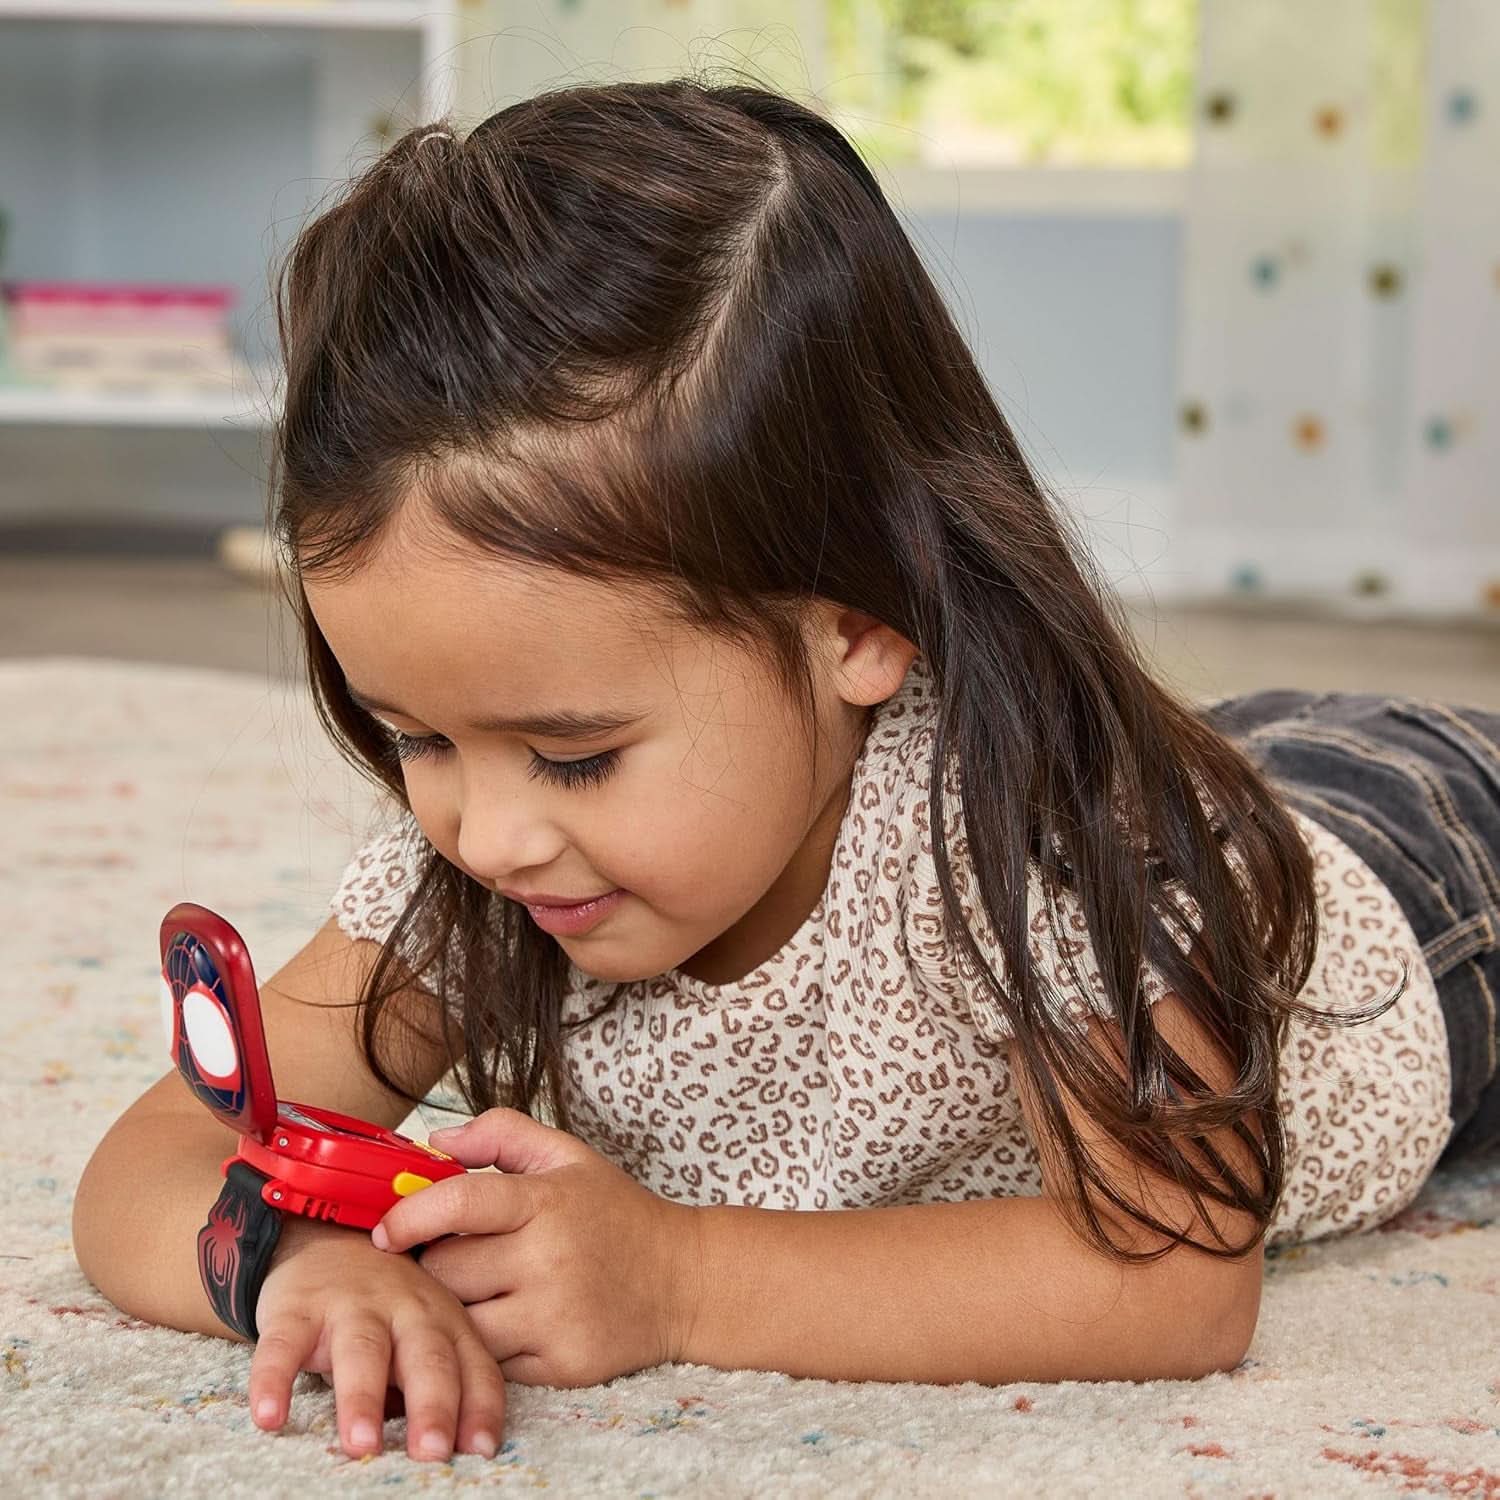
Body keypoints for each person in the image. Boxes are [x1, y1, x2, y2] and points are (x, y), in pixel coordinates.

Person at [73, 78, 1500, 1465]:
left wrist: (680, 1277)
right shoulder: (474, 877)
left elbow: (1178, 1276)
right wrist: (285, 1264)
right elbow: (146, 1167)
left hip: (1422, 886)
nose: (489, 832)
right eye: (422, 738)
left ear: (854, 627)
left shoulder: (1042, 844)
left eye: (575, 755)